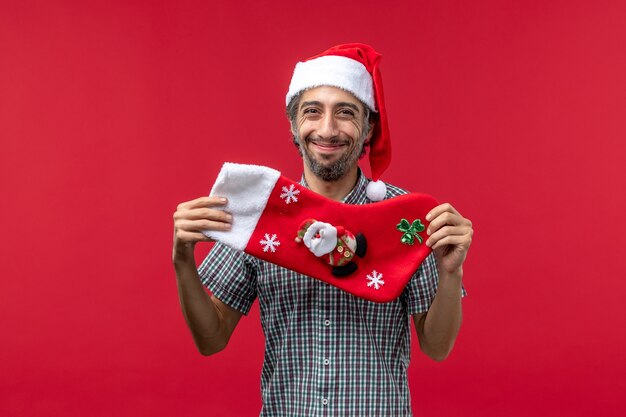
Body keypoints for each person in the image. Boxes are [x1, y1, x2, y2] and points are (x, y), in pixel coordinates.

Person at [172, 43, 473, 416]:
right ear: (294, 126)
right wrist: (183, 260)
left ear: (368, 129)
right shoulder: (261, 214)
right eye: (312, 111)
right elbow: (211, 339)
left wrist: (450, 271)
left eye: (345, 113)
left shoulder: (407, 221)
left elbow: (437, 346)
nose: (327, 129)